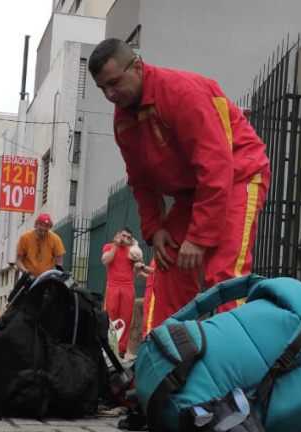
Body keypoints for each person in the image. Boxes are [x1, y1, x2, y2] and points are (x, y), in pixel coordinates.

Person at [88, 38, 271, 327]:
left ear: (137, 67)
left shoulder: (181, 93)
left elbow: (217, 164)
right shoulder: (123, 121)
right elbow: (141, 181)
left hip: (238, 172)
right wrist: (155, 229)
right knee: (166, 268)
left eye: (114, 83)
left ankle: (236, 364)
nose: (110, 94)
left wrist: (199, 237)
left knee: (224, 275)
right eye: (102, 89)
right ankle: (164, 363)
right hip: (194, 192)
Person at [101, 227, 139, 357]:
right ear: (118, 234)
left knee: (126, 318)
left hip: (128, 286)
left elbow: (139, 266)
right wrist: (115, 246)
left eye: (129, 237)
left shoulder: (131, 251)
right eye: (124, 235)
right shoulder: (109, 247)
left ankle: (121, 350)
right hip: (113, 285)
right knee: (111, 316)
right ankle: (110, 346)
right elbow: (106, 260)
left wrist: (136, 247)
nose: (125, 239)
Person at [14, 213, 66, 278]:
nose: (42, 233)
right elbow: (18, 260)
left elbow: (59, 263)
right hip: (28, 277)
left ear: (49, 228)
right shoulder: (25, 237)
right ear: (36, 225)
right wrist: (25, 272)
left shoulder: (55, 239)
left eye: (45, 231)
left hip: (47, 278)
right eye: (40, 230)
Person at [136, 258, 156, 338]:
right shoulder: (154, 258)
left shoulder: (161, 254)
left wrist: (142, 267)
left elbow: (157, 272)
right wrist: (142, 274)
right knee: (146, 317)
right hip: (149, 290)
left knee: (150, 319)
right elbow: (153, 276)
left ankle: (149, 340)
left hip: (153, 291)